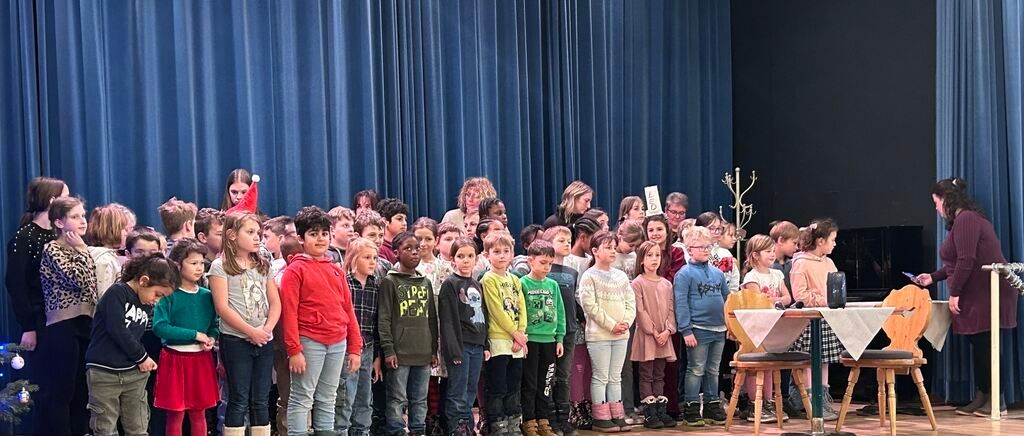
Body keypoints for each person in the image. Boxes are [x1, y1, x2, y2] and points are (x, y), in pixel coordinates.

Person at [914, 178, 1019, 416]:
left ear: (947, 200)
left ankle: (996, 400)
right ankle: (983, 395)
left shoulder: (967, 219)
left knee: (986, 344)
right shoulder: (964, 220)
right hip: (977, 290)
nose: (936, 208)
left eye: (936, 202)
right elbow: (956, 261)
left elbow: (967, 260)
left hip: (985, 290)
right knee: (979, 344)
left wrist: (955, 293)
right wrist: (933, 277)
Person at [281, 206, 363, 436]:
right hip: (309, 342)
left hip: (337, 343)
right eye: (313, 234)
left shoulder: (336, 270)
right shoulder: (294, 271)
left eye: (324, 233)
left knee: (328, 398)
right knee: (302, 398)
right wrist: (294, 350)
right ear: (300, 238)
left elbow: (348, 311)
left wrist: (355, 348)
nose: (320, 238)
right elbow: (289, 314)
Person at [86, 253, 177, 436]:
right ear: (144, 281)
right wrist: (142, 357)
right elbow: (117, 330)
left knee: (138, 427)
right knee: (105, 428)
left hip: (133, 374)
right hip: (104, 372)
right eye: (157, 294)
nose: (156, 300)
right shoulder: (117, 293)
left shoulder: (146, 303)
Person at [210, 213, 282, 436]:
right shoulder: (219, 267)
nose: (257, 238)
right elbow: (222, 307)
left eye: (259, 233)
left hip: (263, 340)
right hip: (236, 341)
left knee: (260, 398)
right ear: (231, 235)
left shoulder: (262, 265)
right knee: (239, 398)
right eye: (250, 232)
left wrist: (266, 330)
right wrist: (251, 331)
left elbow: (275, 302)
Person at [36, 196, 97, 436]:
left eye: (83, 215)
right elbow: (78, 280)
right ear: (59, 223)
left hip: (86, 321)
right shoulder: (53, 249)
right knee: (64, 388)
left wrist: (83, 250)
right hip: (63, 324)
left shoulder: (83, 248)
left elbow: (92, 286)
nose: (83, 221)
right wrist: (81, 250)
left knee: (83, 388)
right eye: (75, 217)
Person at [155, 240, 220, 436]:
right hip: (175, 359)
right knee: (175, 414)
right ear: (178, 264)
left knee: (198, 412)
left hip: (200, 359)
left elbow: (214, 325)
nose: (199, 268)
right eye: (193, 263)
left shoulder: (206, 295)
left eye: (201, 263)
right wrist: (193, 335)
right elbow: (160, 327)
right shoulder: (168, 294)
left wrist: (210, 337)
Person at [378, 231, 439, 436]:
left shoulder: (425, 283)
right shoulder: (390, 282)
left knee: (419, 398)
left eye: (417, 249)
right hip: (399, 353)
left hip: (422, 351)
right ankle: (396, 430)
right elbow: (384, 318)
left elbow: (431, 319)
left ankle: (418, 430)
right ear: (396, 253)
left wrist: (433, 350)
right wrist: (388, 350)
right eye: (408, 249)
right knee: (396, 398)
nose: (414, 252)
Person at [577, 230, 636, 433]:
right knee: (601, 376)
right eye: (608, 247)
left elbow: (631, 302)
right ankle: (601, 417)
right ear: (595, 251)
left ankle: (616, 414)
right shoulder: (589, 276)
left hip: (621, 334)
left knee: (616, 376)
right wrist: (611, 325)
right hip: (599, 335)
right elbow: (590, 307)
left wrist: (626, 322)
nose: (613, 251)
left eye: (614, 247)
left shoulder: (620, 276)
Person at [788, 219, 843, 421]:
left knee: (825, 360)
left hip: (826, 318)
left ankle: (823, 398)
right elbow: (800, 295)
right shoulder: (801, 263)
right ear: (820, 241)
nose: (835, 244)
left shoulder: (828, 262)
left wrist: (835, 299)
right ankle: (811, 401)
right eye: (832, 239)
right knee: (811, 361)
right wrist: (824, 300)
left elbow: (836, 287)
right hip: (809, 320)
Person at [5, 176, 68, 353]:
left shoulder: (61, 234)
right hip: (40, 318)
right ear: (52, 201)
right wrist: (28, 327)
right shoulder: (24, 238)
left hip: (64, 317)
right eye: (66, 197)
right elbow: (16, 285)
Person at [675, 226, 728, 427]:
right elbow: (680, 302)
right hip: (698, 328)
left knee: (713, 370)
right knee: (696, 369)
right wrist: (686, 329)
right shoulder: (684, 274)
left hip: (719, 328)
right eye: (701, 247)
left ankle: (712, 404)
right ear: (689, 249)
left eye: (708, 246)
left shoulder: (717, 273)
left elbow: (726, 298)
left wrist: (729, 324)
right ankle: (691, 406)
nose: (706, 250)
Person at [438, 237, 490, 435]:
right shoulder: (450, 284)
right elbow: (448, 321)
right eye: (461, 256)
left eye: (470, 256)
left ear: (476, 259)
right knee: (457, 389)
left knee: (470, 389)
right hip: (460, 346)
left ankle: (467, 423)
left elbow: (483, 316)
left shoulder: (477, 284)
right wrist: (454, 351)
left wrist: (485, 345)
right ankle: (456, 426)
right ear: (453, 259)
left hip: (476, 345)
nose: (466, 260)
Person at [739, 234, 793, 423]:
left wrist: (773, 301)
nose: (772, 254)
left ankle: (768, 402)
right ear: (755, 255)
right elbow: (757, 302)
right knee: (757, 367)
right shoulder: (751, 277)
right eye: (767, 251)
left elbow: (788, 298)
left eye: (772, 251)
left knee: (769, 366)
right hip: (756, 327)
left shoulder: (777, 274)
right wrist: (775, 301)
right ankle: (756, 404)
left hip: (773, 326)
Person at [335, 238, 384, 436]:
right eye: (367, 257)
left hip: (369, 347)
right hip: (347, 348)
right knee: (345, 395)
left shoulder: (376, 285)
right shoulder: (344, 283)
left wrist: (377, 357)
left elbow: (377, 323)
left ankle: (362, 431)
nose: (372, 262)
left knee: (365, 397)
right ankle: (341, 430)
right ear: (354, 259)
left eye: (374, 258)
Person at [480, 232, 528, 435]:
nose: (501, 255)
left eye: (506, 251)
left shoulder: (515, 280)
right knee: (498, 384)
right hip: (499, 339)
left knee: (514, 384)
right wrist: (514, 333)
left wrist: (522, 333)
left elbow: (522, 307)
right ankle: (497, 422)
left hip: (517, 341)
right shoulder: (488, 279)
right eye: (496, 251)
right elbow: (496, 310)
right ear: (487, 254)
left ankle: (513, 421)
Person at [518, 240, 566, 436]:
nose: (547, 267)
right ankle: (529, 420)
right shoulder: (522, 283)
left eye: (550, 263)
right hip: (531, 341)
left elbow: (560, 312)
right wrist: (522, 337)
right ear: (531, 261)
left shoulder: (553, 285)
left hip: (550, 341)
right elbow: (519, 312)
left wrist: (560, 338)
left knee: (545, 383)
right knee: (529, 383)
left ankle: (543, 419)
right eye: (543, 262)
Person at [630, 241, 677, 429]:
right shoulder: (637, 283)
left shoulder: (666, 284)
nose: (654, 259)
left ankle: (660, 409)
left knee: (660, 373)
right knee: (646, 373)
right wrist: (653, 331)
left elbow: (671, 309)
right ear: (641, 259)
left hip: (663, 336)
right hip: (647, 335)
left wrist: (667, 330)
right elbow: (640, 310)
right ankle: (649, 412)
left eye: (657, 255)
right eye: (649, 255)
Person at [85, 204, 134, 299]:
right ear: (111, 229)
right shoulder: (105, 260)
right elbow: (104, 297)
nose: (127, 233)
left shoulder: (106, 256)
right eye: (124, 229)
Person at [375, 198, 409, 264]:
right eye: (399, 219)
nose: (405, 223)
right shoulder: (380, 249)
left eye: (405, 219)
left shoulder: (405, 246)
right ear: (385, 221)